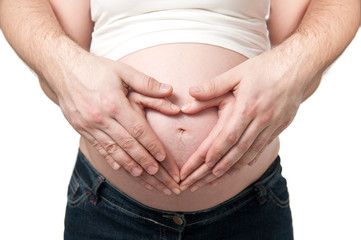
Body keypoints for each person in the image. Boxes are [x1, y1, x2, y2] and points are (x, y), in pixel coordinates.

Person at [0, 0, 359, 239]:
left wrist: (292, 67)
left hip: (249, 208)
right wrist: (66, 70)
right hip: (108, 208)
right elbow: (50, 36)